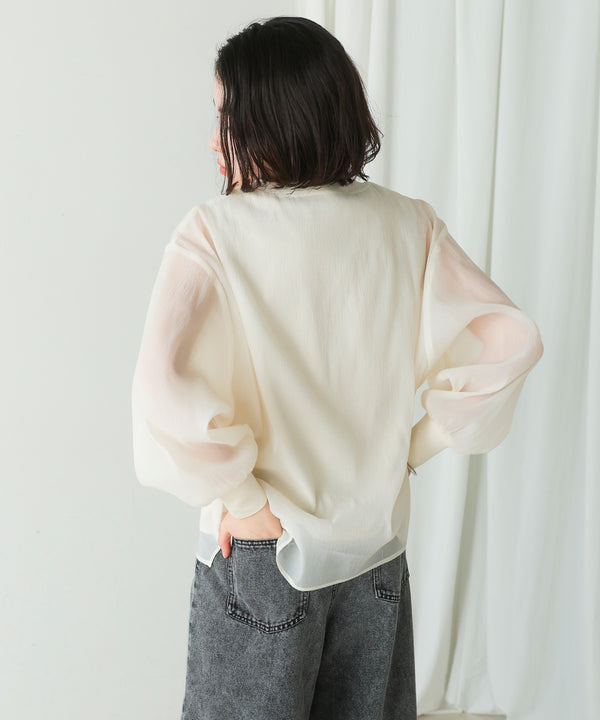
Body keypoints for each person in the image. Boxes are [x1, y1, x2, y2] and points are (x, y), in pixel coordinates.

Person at [130, 15, 543, 720]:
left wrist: (242, 499)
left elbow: (158, 388)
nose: (214, 139)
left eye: (227, 115)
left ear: (274, 117)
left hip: (267, 554)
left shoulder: (214, 231)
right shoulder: (408, 224)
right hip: (375, 553)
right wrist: (414, 446)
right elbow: (510, 342)